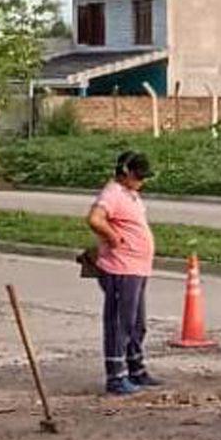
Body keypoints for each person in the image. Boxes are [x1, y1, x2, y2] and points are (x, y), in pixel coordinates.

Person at [86, 151, 160, 397]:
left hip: (137, 268)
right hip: (121, 268)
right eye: (139, 177)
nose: (142, 182)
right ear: (126, 173)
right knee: (119, 323)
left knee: (137, 324)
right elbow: (95, 219)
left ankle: (135, 368)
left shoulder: (131, 194)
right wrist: (112, 236)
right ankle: (116, 377)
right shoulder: (112, 193)